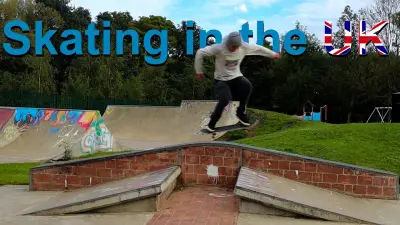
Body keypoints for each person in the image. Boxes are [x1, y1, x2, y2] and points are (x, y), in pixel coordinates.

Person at [194, 31, 281, 132]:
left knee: (247, 86)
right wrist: (198, 70)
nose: (234, 49)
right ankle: (212, 123)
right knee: (226, 99)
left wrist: (273, 54)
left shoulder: (244, 46)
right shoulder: (219, 48)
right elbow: (200, 52)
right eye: (232, 47)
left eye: (236, 47)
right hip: (221, 80)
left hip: (236, 77)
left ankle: (240, 112)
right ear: (228, 44)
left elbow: (259, 49)